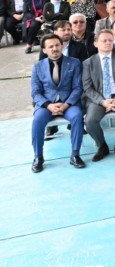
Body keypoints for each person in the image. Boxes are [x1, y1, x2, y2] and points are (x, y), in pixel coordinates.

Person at [30, 34, 86, 172]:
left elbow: (78, 87)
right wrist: (48, 105)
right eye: (51, 46)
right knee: (37, 120)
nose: (55, 48)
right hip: (47, 105)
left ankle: (75, 154)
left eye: (57, 45)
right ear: (44, 50)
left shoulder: (74, 62)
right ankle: (38, 157)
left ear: (62, 46)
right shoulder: (37, 66)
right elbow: (35, 92)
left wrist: (66, 104)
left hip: (68, 104)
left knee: (77, 117)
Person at [82, 29, 115, 161]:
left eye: (110, 40)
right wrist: (102, 101)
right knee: (89, 121)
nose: (108, 43)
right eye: (104, 41)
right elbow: (87, 88)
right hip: (99, 99)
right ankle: (102, 146)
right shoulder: (88, 63)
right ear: (96, 44)